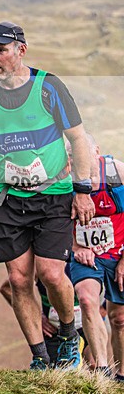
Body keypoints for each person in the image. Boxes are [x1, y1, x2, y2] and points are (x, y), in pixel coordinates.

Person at [0, 21, 95, 371]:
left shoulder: (49, 87)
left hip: (53, 194)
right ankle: (40, 357)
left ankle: (68, 337)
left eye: (0, 50)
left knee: (51, 274)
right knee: (19, 280)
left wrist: (82, 190)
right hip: (7, 198)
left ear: (21, 50)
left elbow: (78, 139)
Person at [68, 133, 124, 381]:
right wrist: (75, 246)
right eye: (70, 155)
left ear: (96, 151)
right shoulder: (63, 180)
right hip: (85, 255)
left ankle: (120, 376)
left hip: (119, 253)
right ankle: (101, 370)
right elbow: (55, 221)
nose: (74, 160)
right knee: (86, 299)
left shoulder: (116, 173)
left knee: (119, 319)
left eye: (79, 153)